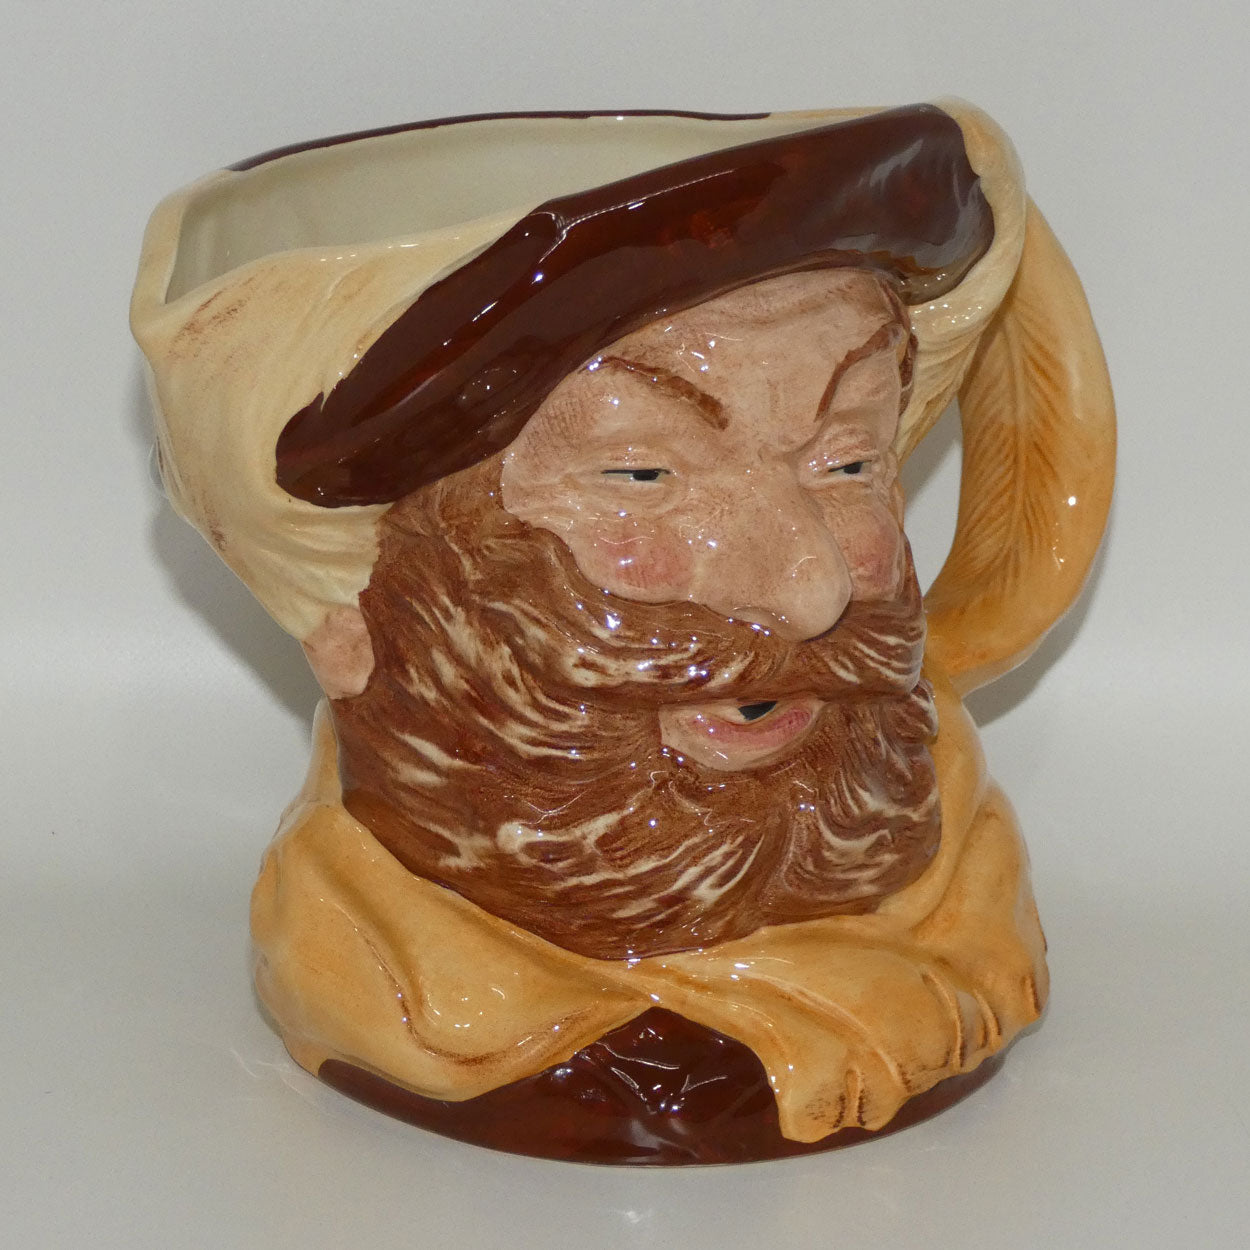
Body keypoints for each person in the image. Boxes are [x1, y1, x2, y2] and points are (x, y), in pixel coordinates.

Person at [132, 102, 1114, 1158]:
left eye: (846, 461)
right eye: (642, 475)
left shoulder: (965, 887)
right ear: (350, 610)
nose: (809, 588)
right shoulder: (374, 968)